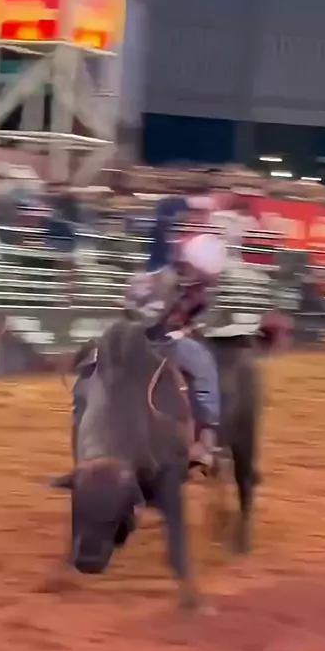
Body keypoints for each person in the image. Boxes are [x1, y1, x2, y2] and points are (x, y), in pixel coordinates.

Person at [72, 197, 227, 469]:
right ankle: (205, 438)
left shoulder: (183, 286)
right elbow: (138, 310)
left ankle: (80, 427)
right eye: (204, 276)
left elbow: (185, 318)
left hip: (144, 337)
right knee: (203, 365)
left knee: (89, 372)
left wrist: (184, 329)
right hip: (148, 340)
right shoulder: (163, 280)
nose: (205, 283)